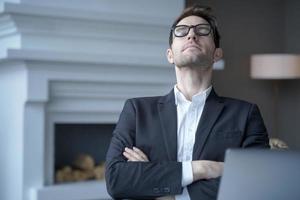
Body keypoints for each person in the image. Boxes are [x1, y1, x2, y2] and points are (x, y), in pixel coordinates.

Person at [105, 4, 269, 200]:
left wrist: (166, 191)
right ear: (170, 55)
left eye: (202, 30)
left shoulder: (246, 114)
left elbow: (257, 181)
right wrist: (203, 168)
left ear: (217, 54)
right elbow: (116, 180)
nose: (192, 35)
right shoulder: (136, 110)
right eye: (181, 32)